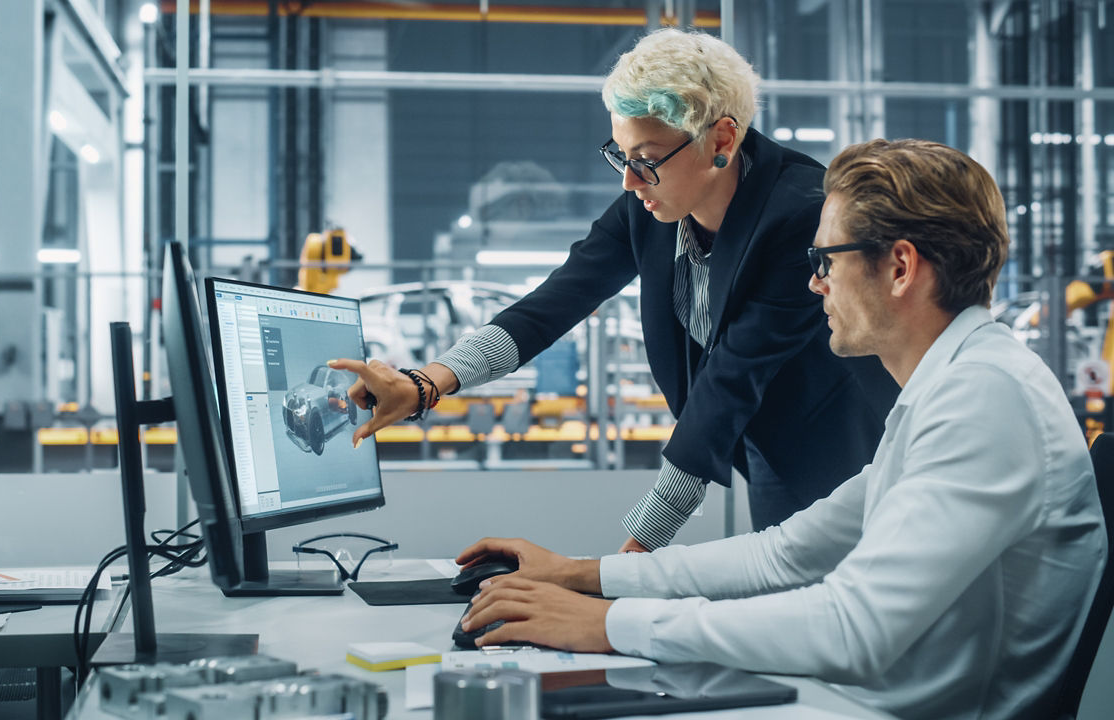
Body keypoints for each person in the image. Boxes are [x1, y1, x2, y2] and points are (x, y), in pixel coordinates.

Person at [453, 139, 1108, 720]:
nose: (815, 283)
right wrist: (584, 576)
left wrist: (612, 624)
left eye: (826, 260)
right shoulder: (948, 389)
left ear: (901, 267)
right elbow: (785, 554)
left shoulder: (985, 398)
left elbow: (855, 626)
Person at [331, 28, 898, 548]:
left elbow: (731, 376)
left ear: (721, 139)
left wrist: (636, 550)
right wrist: (426, 383)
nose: (630, 182)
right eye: (621, 158)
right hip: (759, 439)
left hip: (839, 445)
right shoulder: (648, 207)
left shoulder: (797, 216)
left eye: (646, 161)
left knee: (831, 605)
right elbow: (556, 302)